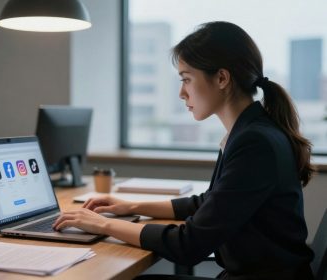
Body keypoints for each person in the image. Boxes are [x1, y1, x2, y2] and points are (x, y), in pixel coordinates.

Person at [52, 21, 315, 280]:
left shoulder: (254, 142)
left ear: (222, 78)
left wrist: (103, 224)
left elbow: (190, 245)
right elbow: (210, 202)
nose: (181, 93)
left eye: (187, 79)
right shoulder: (250, 131)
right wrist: (131, 206)